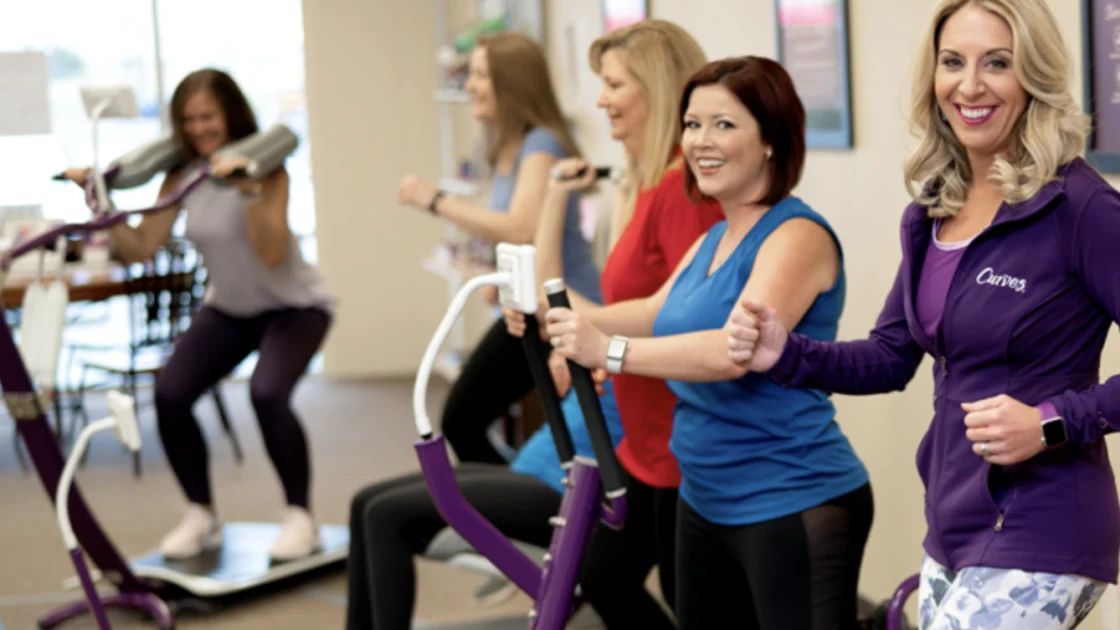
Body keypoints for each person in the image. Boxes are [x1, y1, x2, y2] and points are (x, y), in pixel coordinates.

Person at [726, 1, 1115, 628]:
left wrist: (1049, 422)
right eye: (952, 62)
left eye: (998, 63)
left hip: (1045, 524)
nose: (970, 85)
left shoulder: (1080, 208)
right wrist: (786, 353)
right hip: (954, 518)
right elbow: (888, 357)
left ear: (1034, 76)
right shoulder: (933, 212)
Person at [542, 56, 875, 629]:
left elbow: (730, 353)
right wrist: (559, 318)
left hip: (790, 494)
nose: (700, 141)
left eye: (723, 124)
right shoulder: (717, 237)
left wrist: (608, 352)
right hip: (703, 494)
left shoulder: (797, 236)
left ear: (770, 138)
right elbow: (652, 312)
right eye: (693, 125)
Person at [64, 68, 334, 562]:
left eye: (208, 116)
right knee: (170, 393)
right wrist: (105, 204)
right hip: (230, 307)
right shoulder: (182, 176)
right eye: (188, 120)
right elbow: (142, 246)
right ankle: (200, 514)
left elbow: (273, 255)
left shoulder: (268, 169)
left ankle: (300, 518)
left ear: (230, 113)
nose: (199, 129)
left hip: (294, 307)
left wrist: (248, 189)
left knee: (267, 394)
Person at [504, 19, 718, 628]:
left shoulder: (681, 190)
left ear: (656, 89)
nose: (600, 99)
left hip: (678, 433)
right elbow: (606, 309)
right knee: (605, 577)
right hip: (644, 434)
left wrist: (600, 345)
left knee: (675, 595)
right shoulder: (647, 186)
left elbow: (683, 318)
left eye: (614, 84)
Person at [396, 31, 601, 465]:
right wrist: (502, 278)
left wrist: (435, 200)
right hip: (529, 303)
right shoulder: (510, 146)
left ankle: (511, 508)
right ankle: (510, 502)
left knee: (461, 418)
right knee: (465, 419)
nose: (469, 85)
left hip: (563, 306)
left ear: (513, 83)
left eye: (480, 75)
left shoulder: (542, 143)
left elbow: (521, 226)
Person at [346, 352, 625, 630]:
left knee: (385, 514)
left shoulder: (629, 346)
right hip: (528, 470)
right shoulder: (602, 338)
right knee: (364, 500)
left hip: (565, 489)